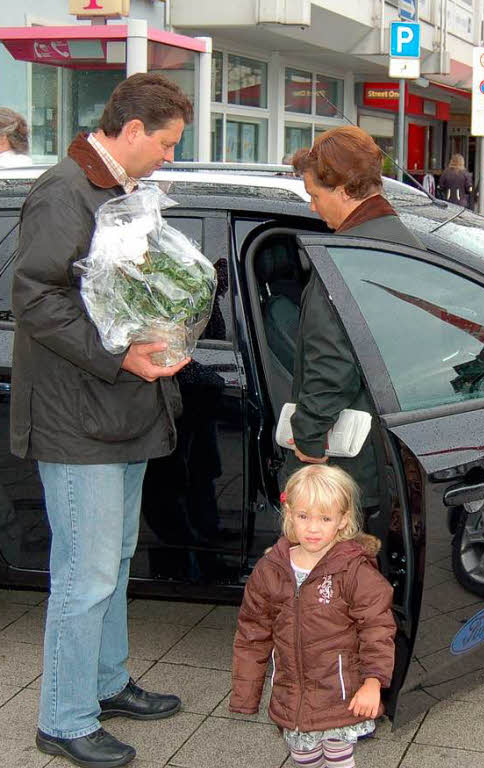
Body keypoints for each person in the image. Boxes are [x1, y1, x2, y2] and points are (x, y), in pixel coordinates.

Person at [12, 73, 193, 768]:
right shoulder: (64, 191)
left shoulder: (119, 190)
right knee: (84, 576)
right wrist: (122, 357)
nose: (170, 157)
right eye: (168, 144)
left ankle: (107, 683)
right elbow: (35, 299)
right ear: (132, 130)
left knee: (113, 564)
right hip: (77, 414)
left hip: (119, 409)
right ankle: (63, 716)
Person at [289, 127, 423, 508]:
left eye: (314, 195)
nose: (312, 207)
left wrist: (309, 436)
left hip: (357, 450)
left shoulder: (349, 257)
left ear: (344, 190)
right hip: (392, 440)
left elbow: (332, 363)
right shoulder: (402, 241)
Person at [230, 464, 397, 768]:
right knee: (303, 758)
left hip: (341, 695)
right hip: (292, 695)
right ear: (289, 513)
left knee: (337, 758)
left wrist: (373, 682)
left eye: (325, 518)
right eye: (304, 516)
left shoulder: (354, 571)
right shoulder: (270, 570)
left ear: (342, 521)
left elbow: (377, 629)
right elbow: (252, 634)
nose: (313, 528)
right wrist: (245, 693)